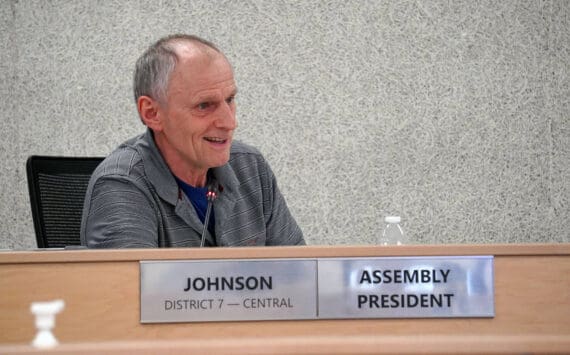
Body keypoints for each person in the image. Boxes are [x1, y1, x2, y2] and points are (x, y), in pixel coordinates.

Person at [80, 34, 305, 248]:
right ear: (151, 113)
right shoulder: (122, 185)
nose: (230, 122)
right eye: (204, 105)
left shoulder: (250, 168)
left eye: (230, 100)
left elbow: (301, 275)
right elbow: (127, 288)